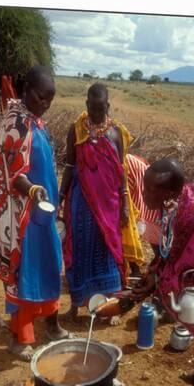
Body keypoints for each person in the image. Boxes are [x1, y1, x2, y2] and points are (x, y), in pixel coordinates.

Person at [0, 65, 71, 361]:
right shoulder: (16, 124)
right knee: (25, 273)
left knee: (50, 264)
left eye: (50, 99)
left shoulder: (36, 121)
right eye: (40, 97)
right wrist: (33, 190)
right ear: (25, 90)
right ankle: (19, 338)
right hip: (22, 217)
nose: (45, 104)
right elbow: (12, 172)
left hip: (42, 214)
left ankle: (52, 325)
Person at [59, 83, 144, 323]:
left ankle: (110, 306)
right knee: (78, 251)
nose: (97, 115)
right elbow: (70, 166)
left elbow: (122, 172)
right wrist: (60, 197)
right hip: (81, 203)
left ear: (108, 106)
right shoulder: (76, 130)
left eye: (101, 109)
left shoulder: (116, 133)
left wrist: (126, 204)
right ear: (86, 105)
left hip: (109, 206)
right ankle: (76, 305)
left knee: (108, 251)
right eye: (93, 109)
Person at [131, 158, 194, 341]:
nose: (143, 193)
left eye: (151, 190)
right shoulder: (170, 204)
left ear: (169, 193)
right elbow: (169, 249)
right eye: (145, 186)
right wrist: (154, 273)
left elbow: (179, 264)